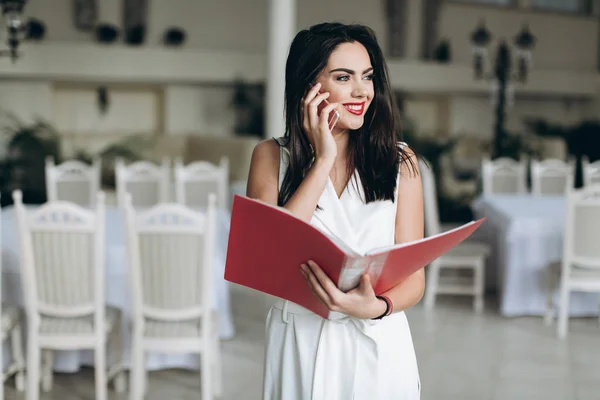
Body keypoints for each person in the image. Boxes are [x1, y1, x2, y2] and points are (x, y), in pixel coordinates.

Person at [246, 22, 424, 400]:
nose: (362, 92)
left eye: (368, 77)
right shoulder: (270, 157)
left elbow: (415, 279)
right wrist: (323, 159)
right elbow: (268, 259)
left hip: (379, 337)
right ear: (309, 85)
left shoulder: (399, 160)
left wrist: (376, 306)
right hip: (300, 338)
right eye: (344, 77)